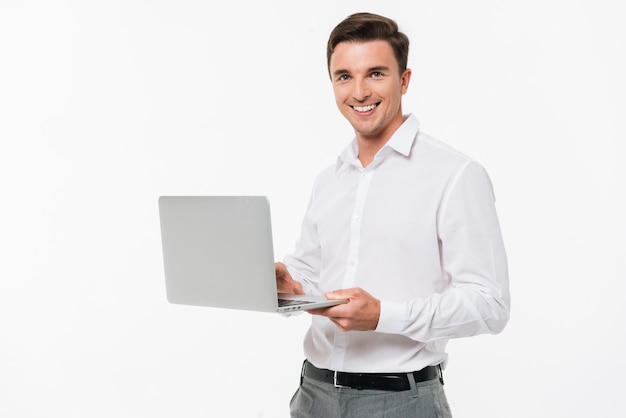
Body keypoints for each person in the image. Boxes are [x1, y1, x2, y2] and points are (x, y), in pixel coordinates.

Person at [275, 12, 510, 418]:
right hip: (312, 395)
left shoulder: (454, 174)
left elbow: (490, 304)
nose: (360, 91)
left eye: (376, 74)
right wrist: (290, 285)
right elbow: (315, 269)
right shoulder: (328, 179)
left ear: (404, 80)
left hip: (401, 403)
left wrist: (384, 315)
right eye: (344, 76)